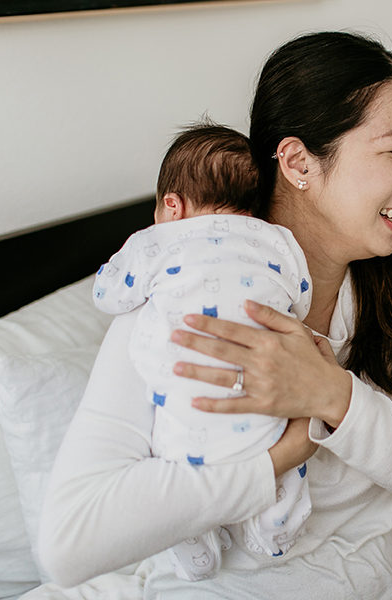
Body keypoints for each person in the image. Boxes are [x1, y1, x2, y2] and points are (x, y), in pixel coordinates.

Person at [39, 31, 392, 599]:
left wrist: (331, 395)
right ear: (298, 161)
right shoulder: (184, 291)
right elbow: (68, 540)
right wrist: (273, 462)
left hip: (387, 583)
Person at [92, 123, 313, 581]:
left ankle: (193, 539)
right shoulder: (277, 240)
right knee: (284, 471)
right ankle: (274, 531)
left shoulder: (154, 241)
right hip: (263, 412)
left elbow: (109, 295)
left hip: (189, 418)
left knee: (170, 478)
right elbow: (302, 296)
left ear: (172, 205)